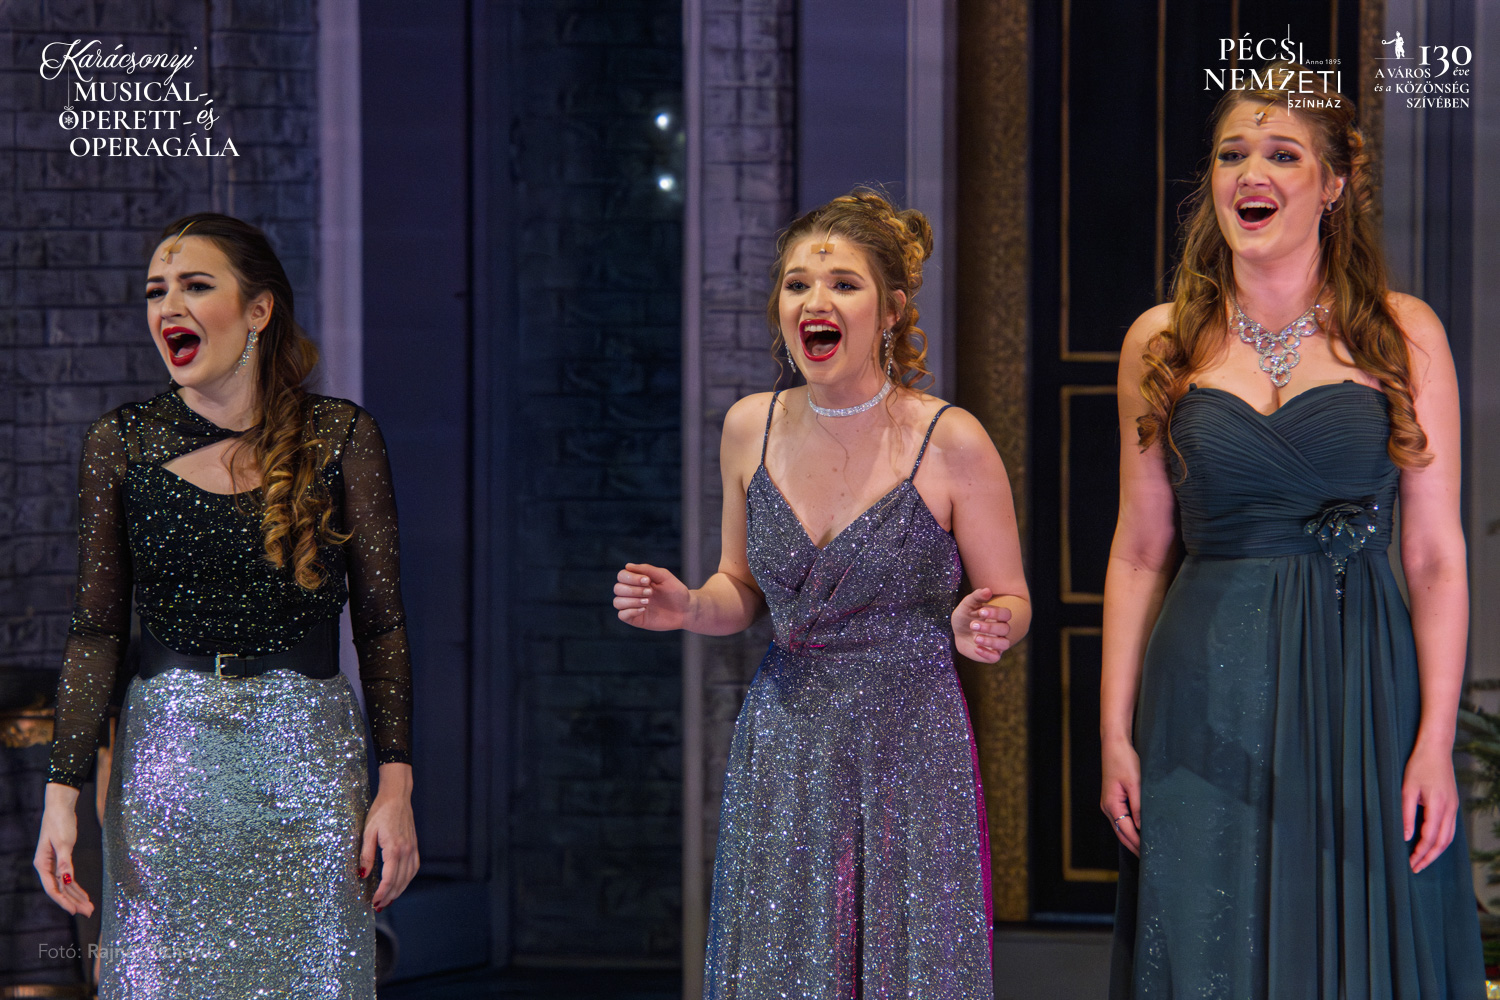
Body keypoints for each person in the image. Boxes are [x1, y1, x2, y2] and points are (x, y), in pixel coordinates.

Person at [1101, 65, 1485, 996]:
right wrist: (1114, 731)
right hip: (1205, 681)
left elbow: (1435, 557)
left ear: (1334, 184)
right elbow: (1140, 550)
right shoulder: (1160, 340)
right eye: (1232, 154)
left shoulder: (1403, 334)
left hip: (1361, 677)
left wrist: (1434, 741)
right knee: (1209, 934)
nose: (1250, 173)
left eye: (1282, 154)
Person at [615, 190, 1030, 997]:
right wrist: (688, 606)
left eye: (843, 284)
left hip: (910, 741)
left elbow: (1009, 596)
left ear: (891, 309)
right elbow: (740, 588)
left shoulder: (949, 439)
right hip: (785, 740)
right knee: (782, 960)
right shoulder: (750, 427)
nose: (816, 301)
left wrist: (988, 624)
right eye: (798, 284)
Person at [33, 214, 419, 999]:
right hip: (168, 774)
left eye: (195, 285)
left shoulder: (340, 436)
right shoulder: (122, 444)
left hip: (308, 770)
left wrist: (397, 788)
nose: (167, 306)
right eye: (156, 291)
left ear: (258, 310)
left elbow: (381, 625)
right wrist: (61, 794)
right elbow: (96, 631)